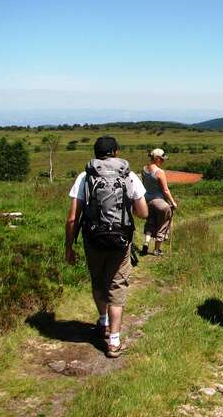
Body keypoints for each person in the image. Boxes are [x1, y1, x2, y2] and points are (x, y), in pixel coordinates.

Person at [65, 136, 148, 358]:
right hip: (121, 241)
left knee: (98, 280)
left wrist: (69, 247)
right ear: (116, 152)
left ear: (95, 154)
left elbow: (73, 218)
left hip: (93, 239)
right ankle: (114, 341)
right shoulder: (129, 175)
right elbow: (143, 213)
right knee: (117, 285)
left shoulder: (85, 176)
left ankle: (102, 321)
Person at [140, 148, 178, 256]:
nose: (163, 161)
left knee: (150, 221)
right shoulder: (159, 172)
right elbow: (165, 190)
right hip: (159, 201)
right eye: (161, 159)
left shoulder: (144, 169)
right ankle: (156, 250)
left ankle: (146, 242)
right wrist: (173, 202)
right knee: (164, 224)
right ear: (156, 159)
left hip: (147, 200)